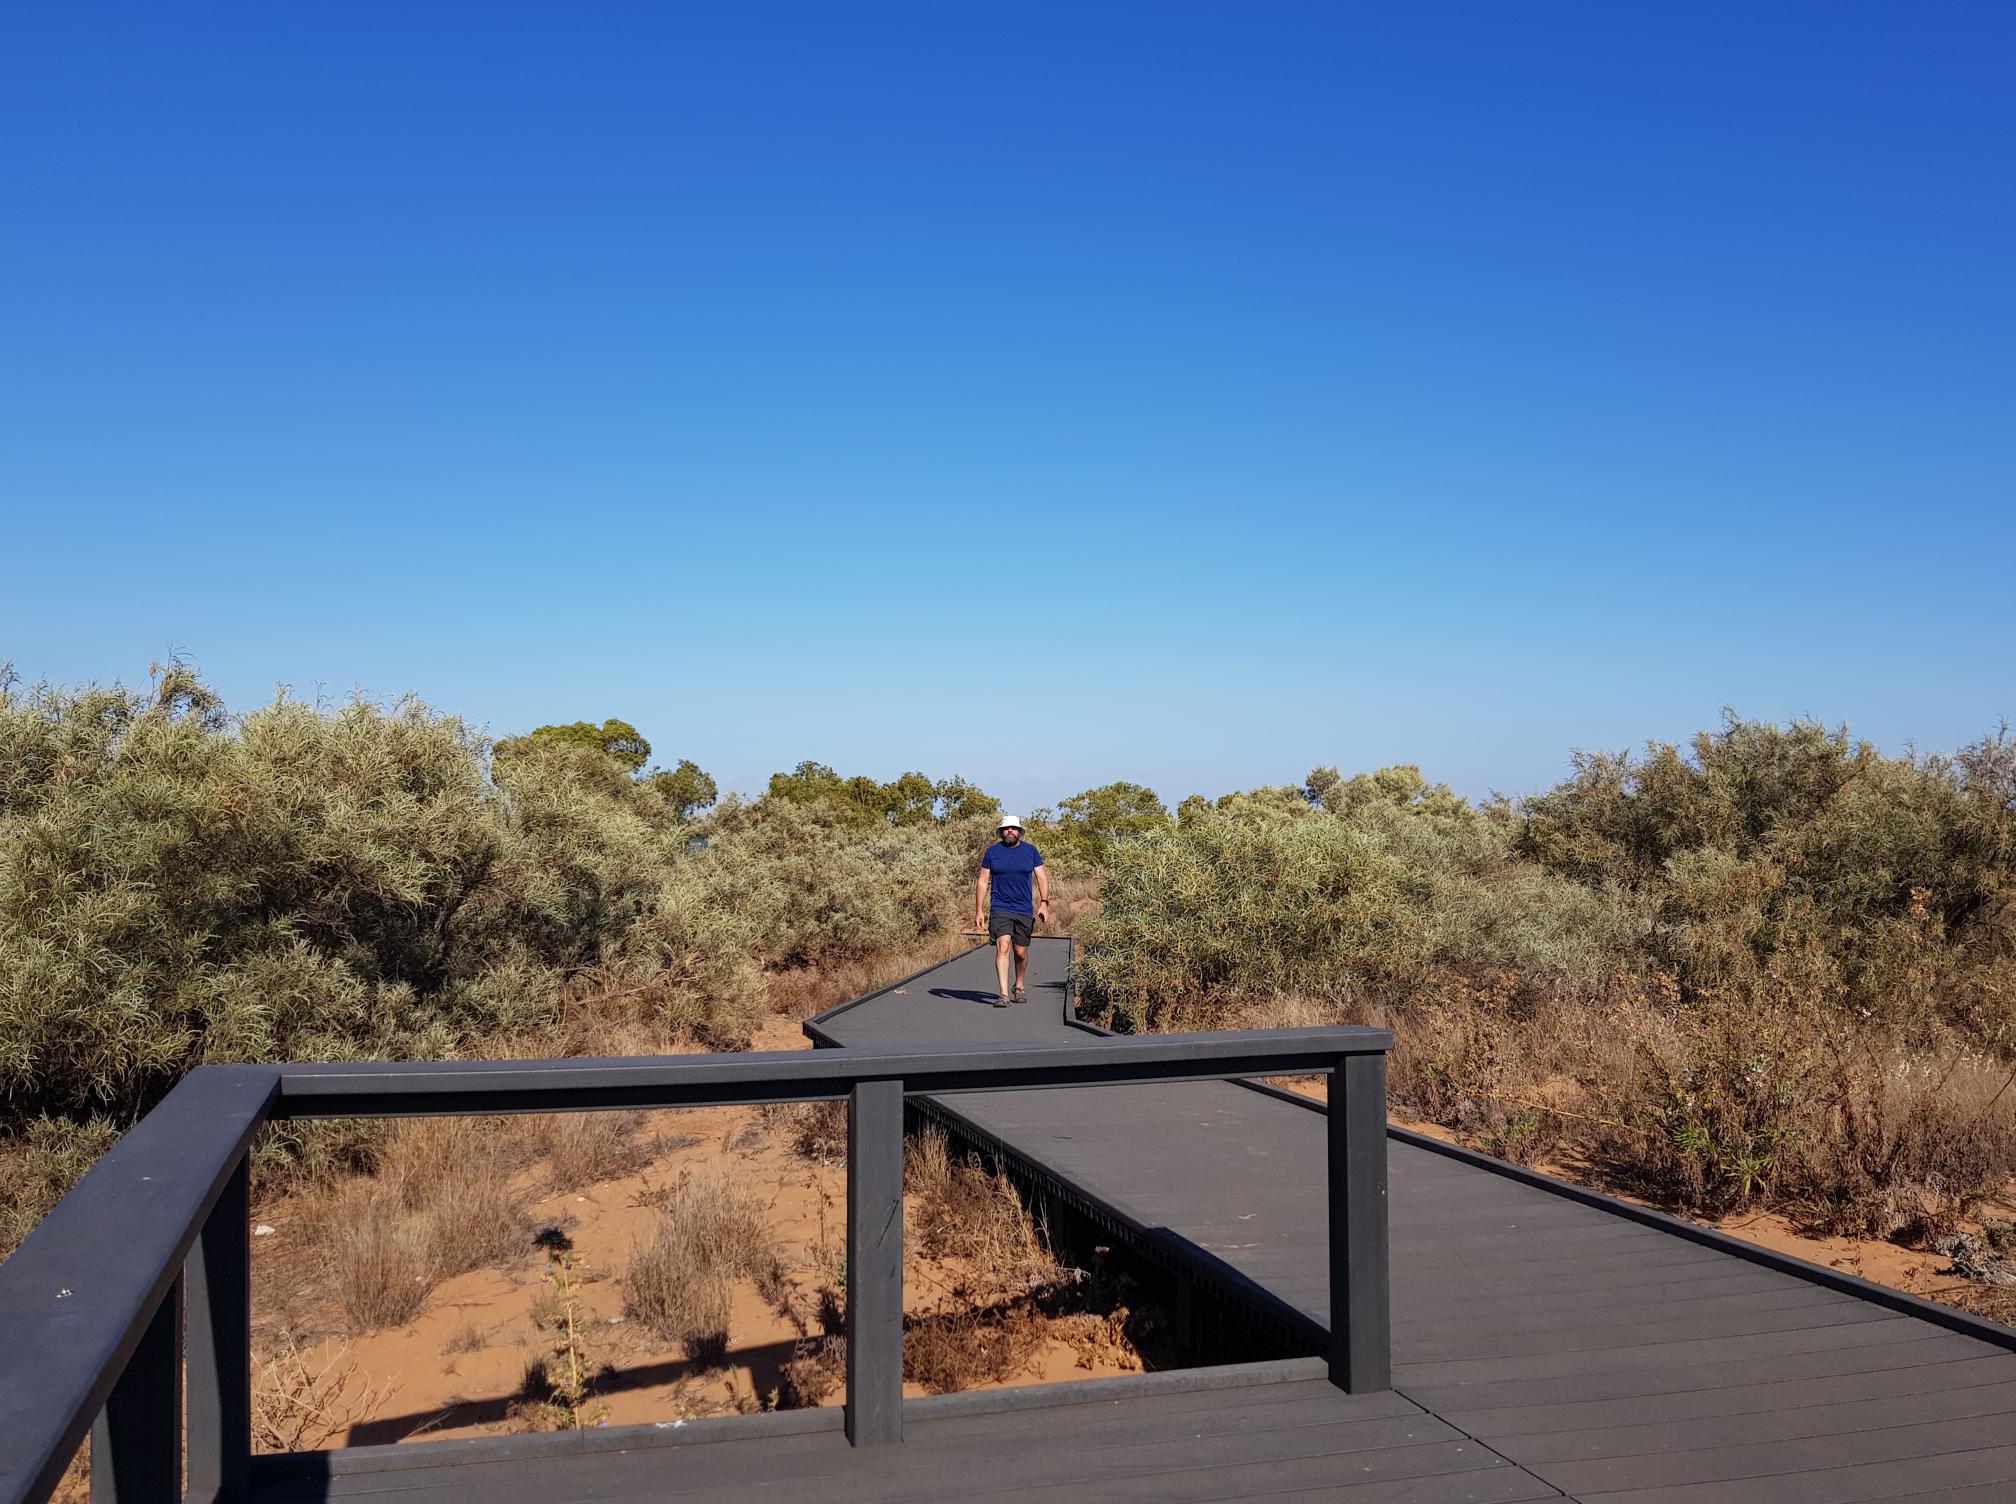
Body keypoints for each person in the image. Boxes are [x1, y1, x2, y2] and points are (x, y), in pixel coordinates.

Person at [973, 815, 1048, 1007]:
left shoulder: (1030, 851)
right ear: (1001, 832)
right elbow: (982, 881)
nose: (1010, 831)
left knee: (1020, 952)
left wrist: (1044, 903)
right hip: (1000, 907)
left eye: (1013, 828)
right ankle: (1003, 994)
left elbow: (1041, 877)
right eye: (1006, 828)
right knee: (1003, 946)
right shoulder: (992, 852)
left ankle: (1019, 985)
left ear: (1020, 831)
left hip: (1023, 909)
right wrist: (979, 910)